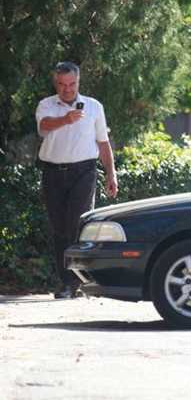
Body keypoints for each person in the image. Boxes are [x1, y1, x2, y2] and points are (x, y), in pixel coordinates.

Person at [36, 61, 118, 299]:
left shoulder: (93, 107)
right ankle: (66, 283)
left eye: (71, 84)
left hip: (84, 171)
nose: (67, 89)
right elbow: (43, 127)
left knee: (78, 224)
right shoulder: (46, 105)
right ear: (56, 84)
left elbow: (103, 143)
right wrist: (66, 119)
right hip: (53, 172)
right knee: (59, 228)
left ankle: (78, 282)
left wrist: (111, 173)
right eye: (62, 85)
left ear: (78, 82)